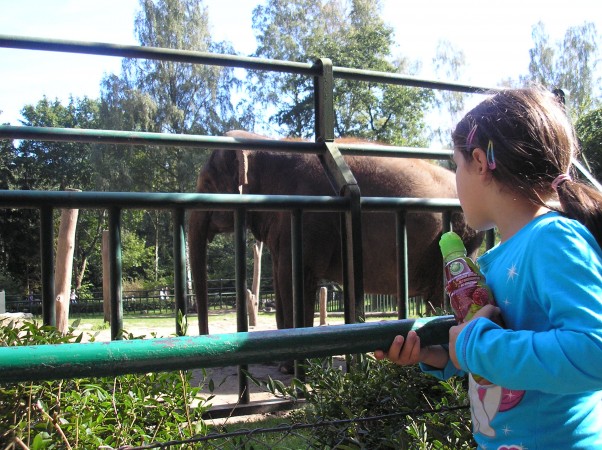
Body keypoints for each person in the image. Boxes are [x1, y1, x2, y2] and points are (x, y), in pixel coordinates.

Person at [375, 87, 602, 449]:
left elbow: (593, 351)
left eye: (456, 166)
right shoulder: (500, 257)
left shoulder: (554, 239)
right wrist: (442, 355)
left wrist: (475, 346)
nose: (455, 181)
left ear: (479, 162)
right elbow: (507, 346)